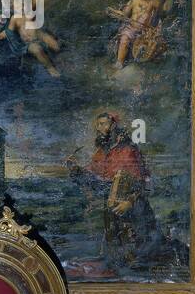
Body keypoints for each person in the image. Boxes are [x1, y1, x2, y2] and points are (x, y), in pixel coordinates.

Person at [66, 112, 157, 267]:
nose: (100, 128)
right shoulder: (101, 153)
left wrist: (129, 202)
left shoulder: (129, 150)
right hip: (112, 205)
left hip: (133, 206)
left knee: (136, 248)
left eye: (104, 124)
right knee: (114, 247)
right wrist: (76, 170)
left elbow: (143, 183)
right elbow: (94, 179)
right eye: (98, 125)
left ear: (114, 126)